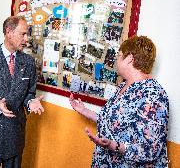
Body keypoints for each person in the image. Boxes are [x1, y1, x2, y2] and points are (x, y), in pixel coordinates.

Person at [70, 36, 169, 167]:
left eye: (119, 55)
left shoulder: (153, 95)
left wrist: (114, 146)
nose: (117, 59)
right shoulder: (123, 86)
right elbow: (114, 122)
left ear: (129, 59)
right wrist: (84, 111)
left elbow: (150, 149)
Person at [0, 16, 44, 168]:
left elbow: (28, 93)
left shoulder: (28, 62)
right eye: (22, 34)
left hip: (15, 132)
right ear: (8, 32)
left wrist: (31, 102)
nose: (26, 39)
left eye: (27, 34)